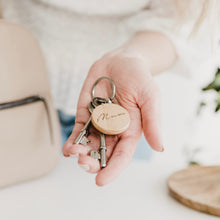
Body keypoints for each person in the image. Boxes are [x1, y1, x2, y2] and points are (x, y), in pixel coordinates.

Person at [1, 0, 219, 186]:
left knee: (115, 203)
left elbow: (183, 23)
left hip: (125, 102)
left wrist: (134, 57)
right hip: (13, 100)